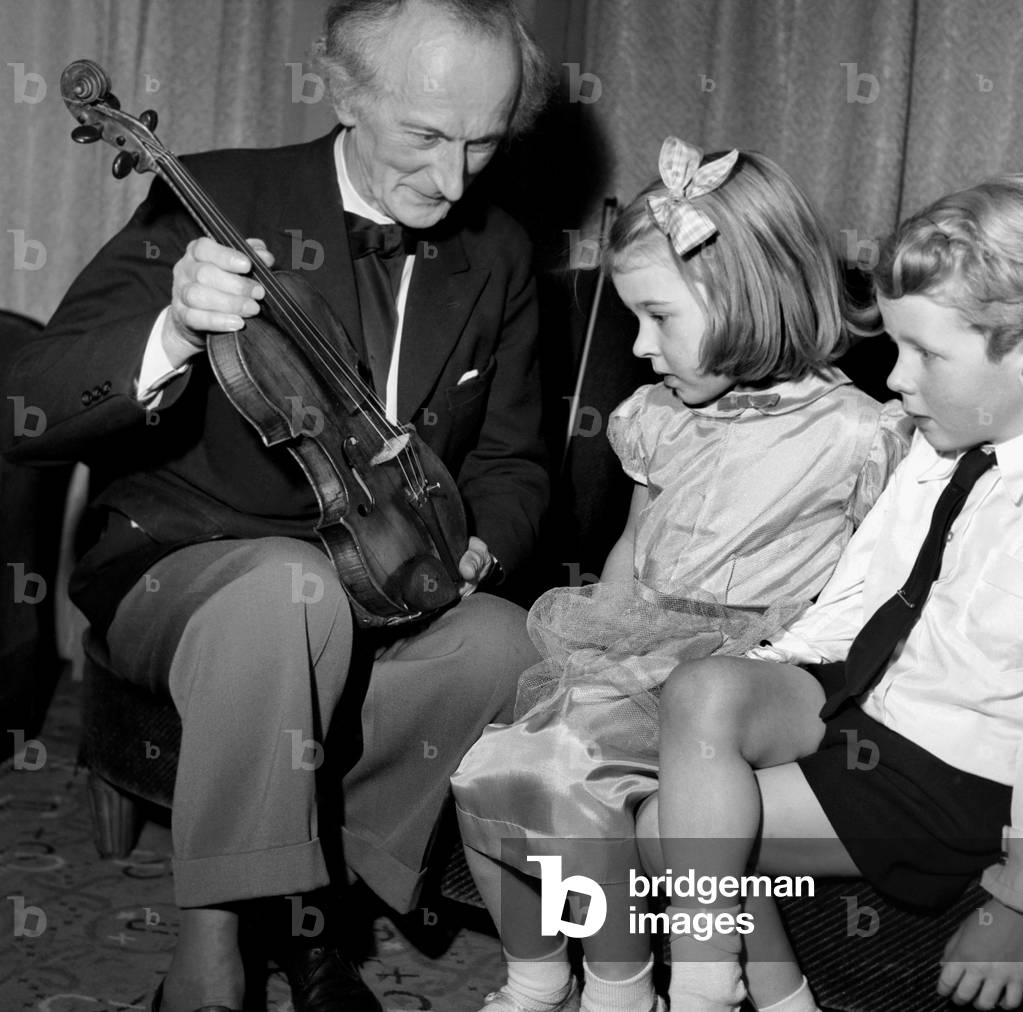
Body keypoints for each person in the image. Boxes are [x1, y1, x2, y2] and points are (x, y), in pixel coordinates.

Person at [1, 2, 551, 1010]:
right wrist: (172, 331)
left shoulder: (503, 249)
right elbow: (24, 404)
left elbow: (514, 460)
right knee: (288, 590)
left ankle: (316, 904)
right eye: (425, 136)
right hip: (185, 563)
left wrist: (480, 544)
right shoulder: (211, 196)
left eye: (484, 142)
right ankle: (212, 949)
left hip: (389, 572)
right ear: (345, 94)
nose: (454, 179)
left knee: (503, 645)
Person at [451, 137, 912, 1012]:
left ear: (746, 296)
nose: (639, 345)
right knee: (492, 769)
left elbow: (877, 590)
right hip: (640, 645)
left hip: (750, 672)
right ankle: (536, 976)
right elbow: (636, 545)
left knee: (566, 778)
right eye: (633, 319)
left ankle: (621, 987)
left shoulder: (856, 433)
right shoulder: (655, 417)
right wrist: (597, 645)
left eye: (659, 318)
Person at [642, 175, 1023, 1012]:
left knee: (662, 831)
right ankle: (717, 985)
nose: (896, 379)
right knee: (701, 690)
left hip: (956, 775)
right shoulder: (939, 444)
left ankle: (745, 998)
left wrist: (1014, 903)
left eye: (926, 354)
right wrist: (759, 680)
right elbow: (862, 592)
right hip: (871, 700)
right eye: (895, 348)